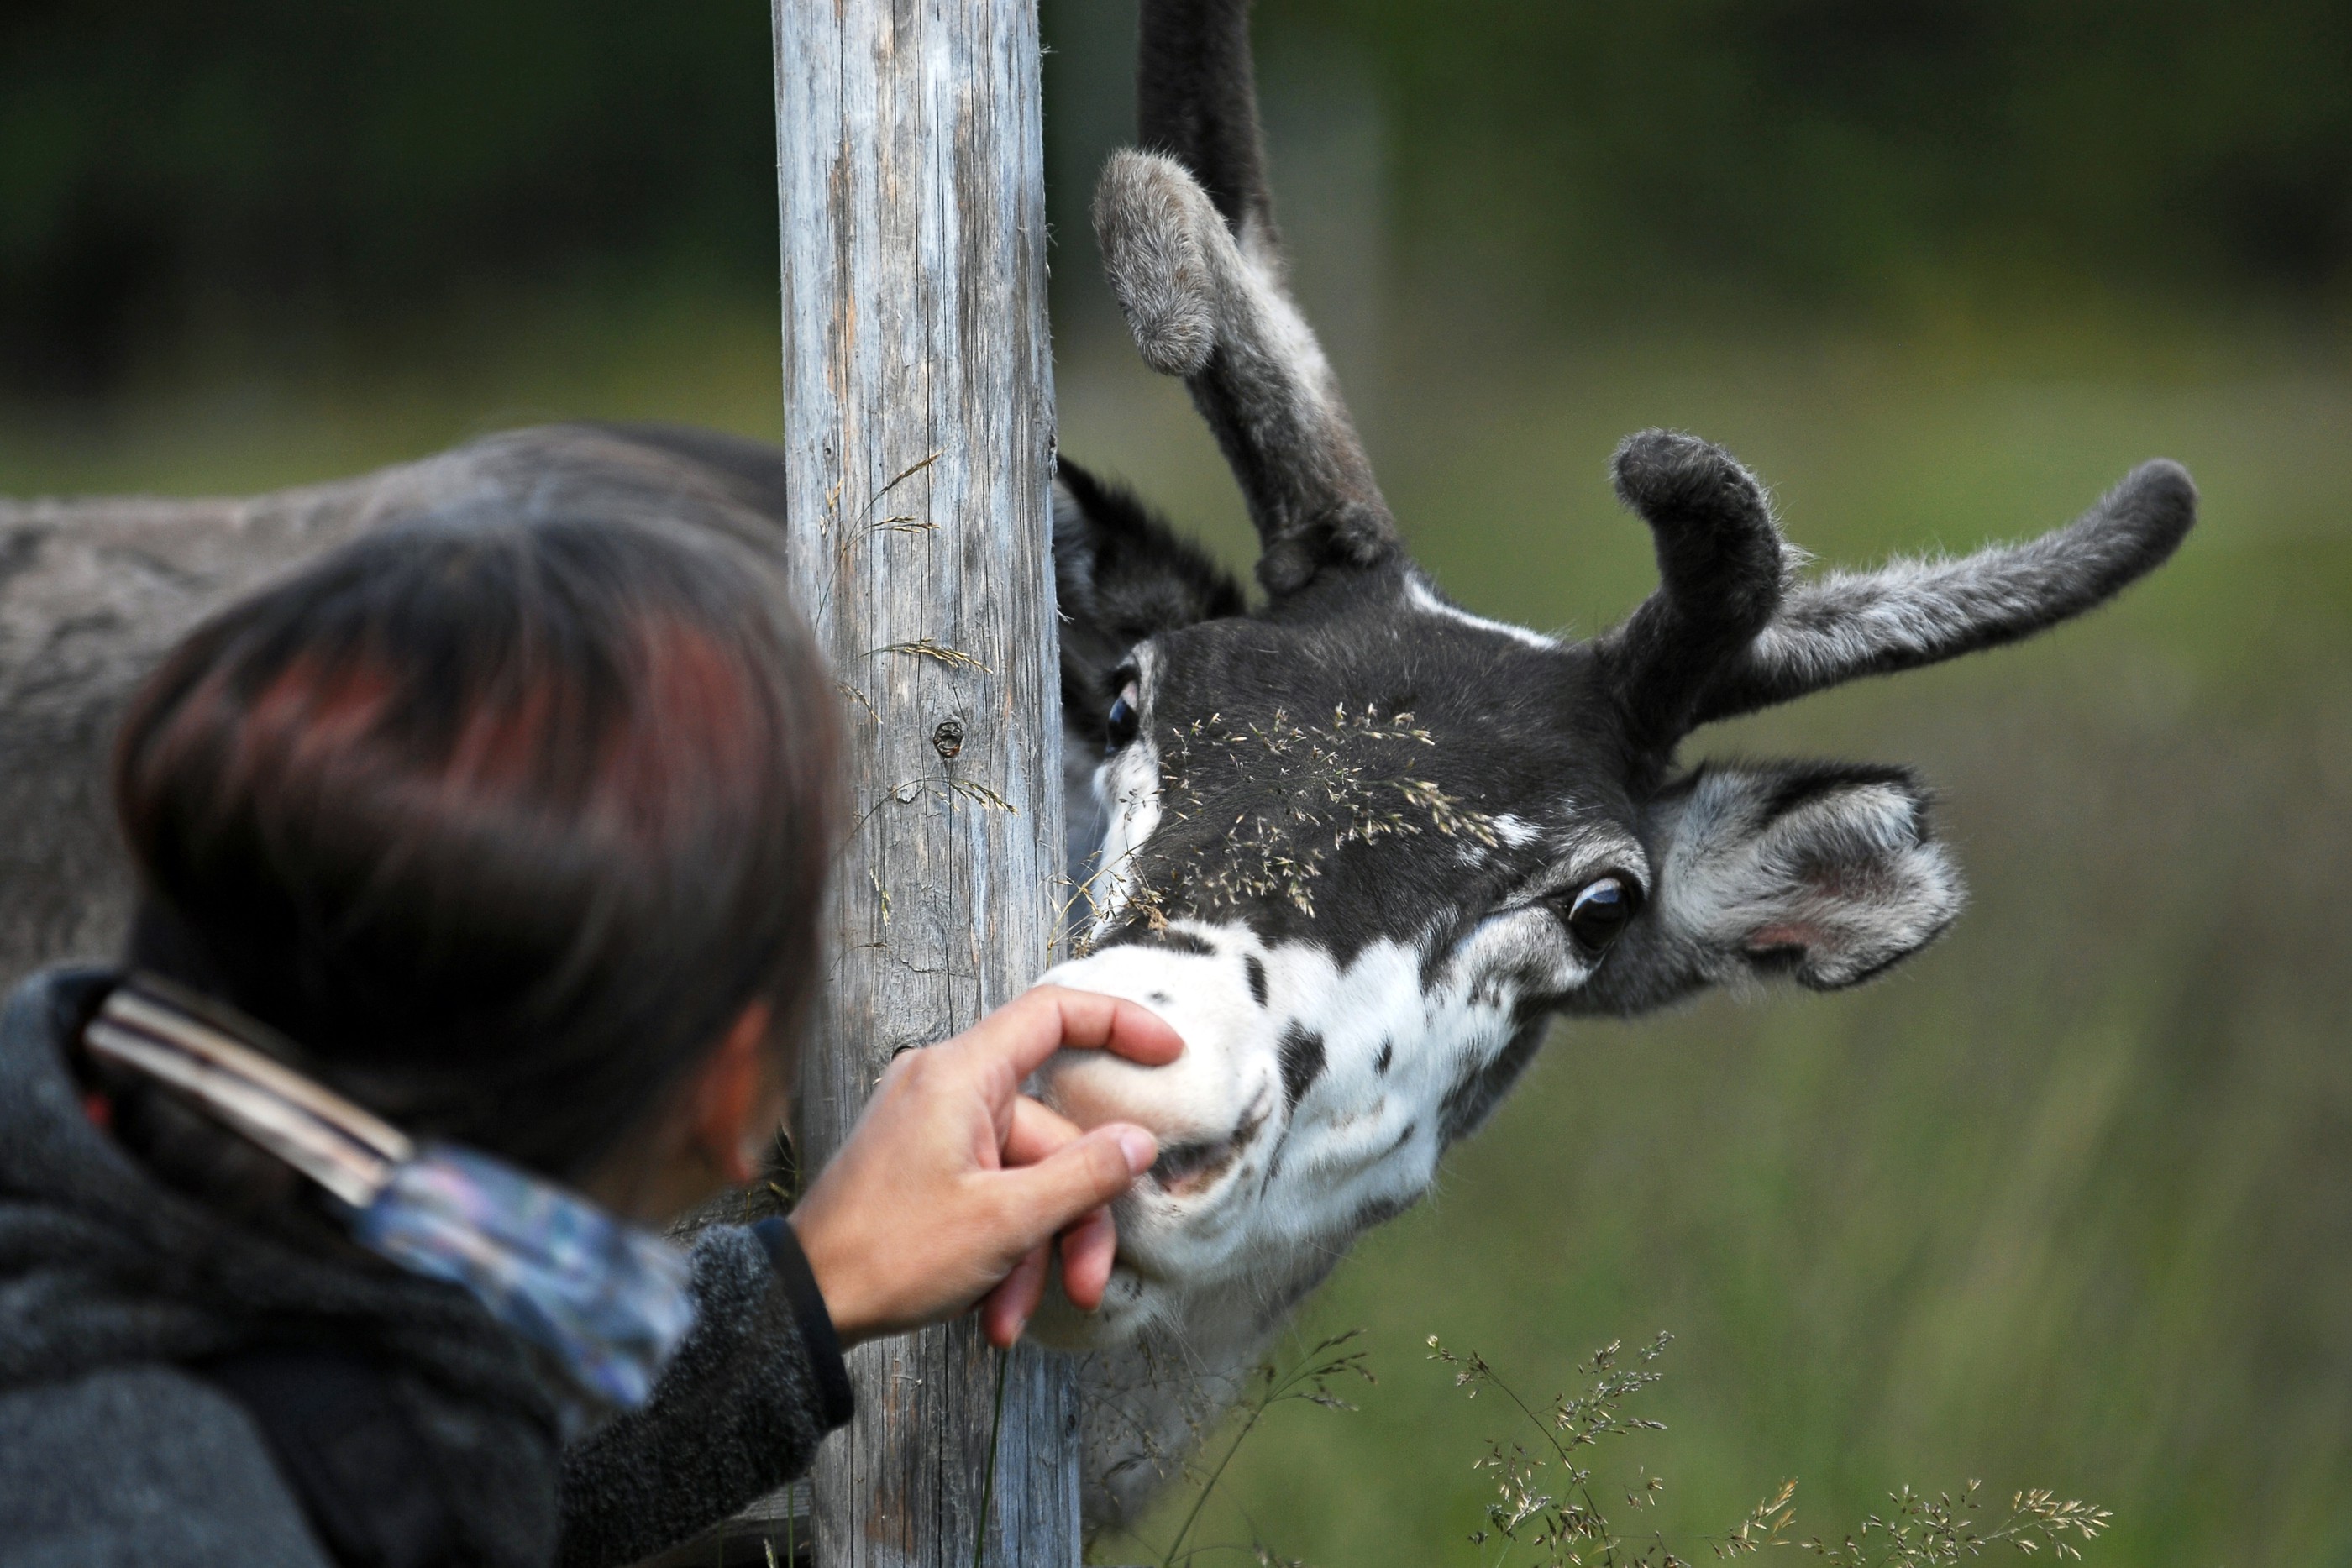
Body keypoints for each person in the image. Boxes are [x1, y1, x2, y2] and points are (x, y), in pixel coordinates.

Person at [0, 493, 1179, 1568]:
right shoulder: (171, 1519)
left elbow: (398, 1436)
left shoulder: (126, 1251)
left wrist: (814, 1285)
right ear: (731, 1089)